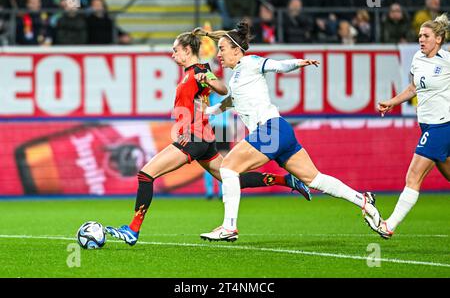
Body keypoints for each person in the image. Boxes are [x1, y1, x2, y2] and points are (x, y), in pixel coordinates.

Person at [104, 30, 312, 246]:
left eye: (175, 49)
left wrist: (209, 81)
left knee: (146, 175)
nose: (172, 53)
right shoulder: (190, 73)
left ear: (187, 50)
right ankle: (286, 180)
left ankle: (132, 230)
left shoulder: (200, 70)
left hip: (193, 139)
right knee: (232, 179)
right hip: (203, 139)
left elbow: (222, 88)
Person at [194, 21, 381, 242]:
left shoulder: (250, 62)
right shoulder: (235, 77)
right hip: (280, 130)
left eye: (222, 49)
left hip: (270, 130)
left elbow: (278, 65)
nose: (219, 55)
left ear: (237, 50)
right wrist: (210, 111)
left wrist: (298, 63)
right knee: (315, 179)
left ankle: (229, 227)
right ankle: (363, 200)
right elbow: (231, 101)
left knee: (227, 168)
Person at [373, 14, 450, 239]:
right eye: (419, 36)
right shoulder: (417, 58)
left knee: (413, 176)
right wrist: (391, 102)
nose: (421, 40)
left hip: (442, 125)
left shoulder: (447, 61)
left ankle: (389, 225)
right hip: (427, 126)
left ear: (438, 38)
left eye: (426, 36)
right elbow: (413, 88)